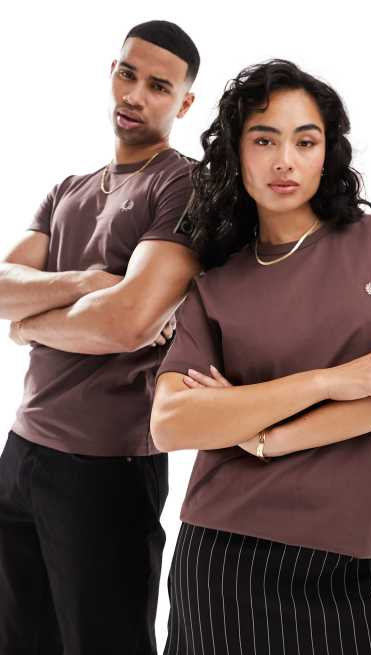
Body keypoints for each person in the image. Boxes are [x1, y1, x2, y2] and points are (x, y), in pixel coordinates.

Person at [150, 60, 371, 655]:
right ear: (237, 154)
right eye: (264, 140)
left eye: (305, 141)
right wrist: (330, 381)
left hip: (357, 564)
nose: (284, 161)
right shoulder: (216, 284)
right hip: (226, 558)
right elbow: (170, 423)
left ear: (327, 153)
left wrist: (267, 437)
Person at [0, 20, 201, 655]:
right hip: (21, 453)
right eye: (127, 74)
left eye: (159, 86)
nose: (135, 95)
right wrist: (87, 281)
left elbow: (128, 321)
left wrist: (30, 322)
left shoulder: (182, 184)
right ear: (111, 73)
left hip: (108, 466)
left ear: (185, 103)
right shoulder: (69, 189)